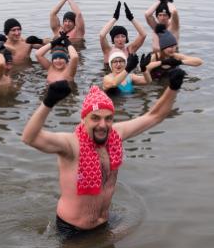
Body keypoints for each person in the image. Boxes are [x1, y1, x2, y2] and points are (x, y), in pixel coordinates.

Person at [21, 71, 186, 237]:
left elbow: (155, 116)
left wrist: (173, 88)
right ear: (83, 119)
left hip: (105, 221)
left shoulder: (115, 134)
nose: (103, 125)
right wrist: (49, 102)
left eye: (108, 118)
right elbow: (29, 138)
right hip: (73, 229)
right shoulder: (71, 145)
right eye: (95, 118)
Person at [99, 1, 148, 67]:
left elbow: (143, 35)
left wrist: (131, 18)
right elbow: (102, 35)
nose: (120, 39)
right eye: (117, 37)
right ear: (113, 39)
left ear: (126, 38)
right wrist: (115, 18)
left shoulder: (130, 49)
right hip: (110, 75)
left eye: (123, 36)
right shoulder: (108, 51)